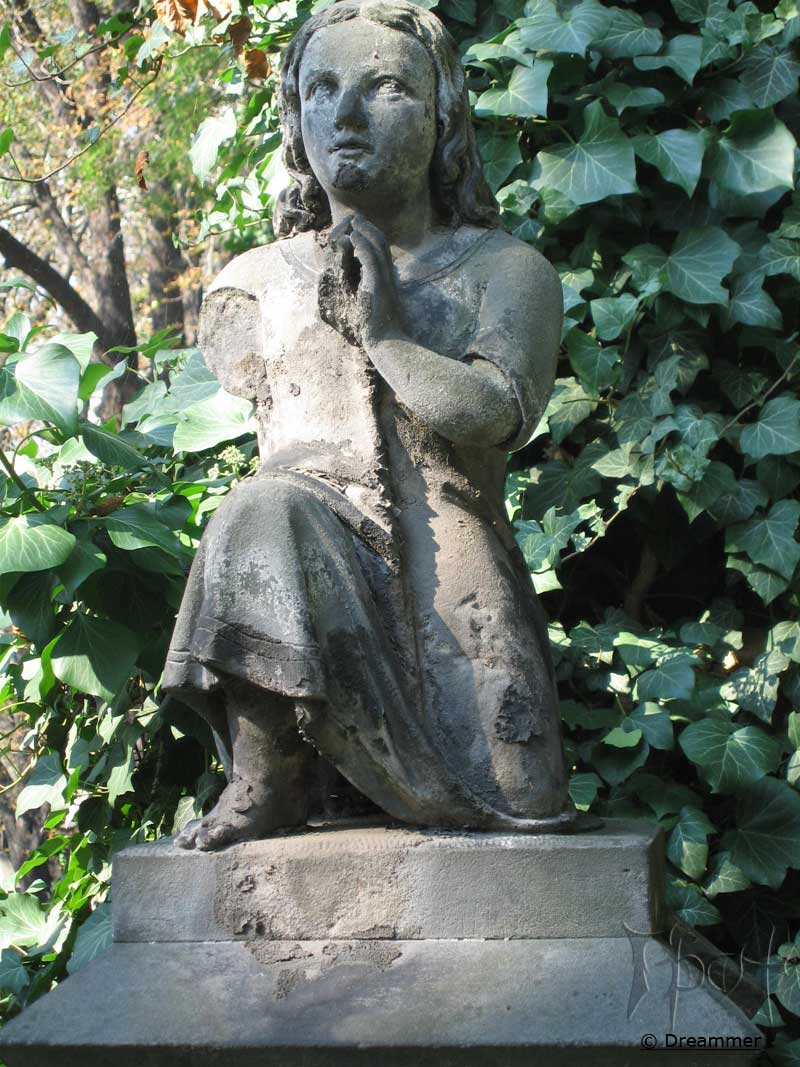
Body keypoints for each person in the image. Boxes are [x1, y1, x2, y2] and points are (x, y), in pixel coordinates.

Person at [163, 0, 574, 851]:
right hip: (301, 567)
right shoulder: (253, 285)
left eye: (384, 88)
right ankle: (267, 776)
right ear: (293, 118)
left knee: (524, 804)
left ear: (443, 117)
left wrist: (384, 336)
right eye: (321, 90)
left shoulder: (507, 271)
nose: (345, 115)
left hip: (451, 594)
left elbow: (496, 413)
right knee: (262, 505)